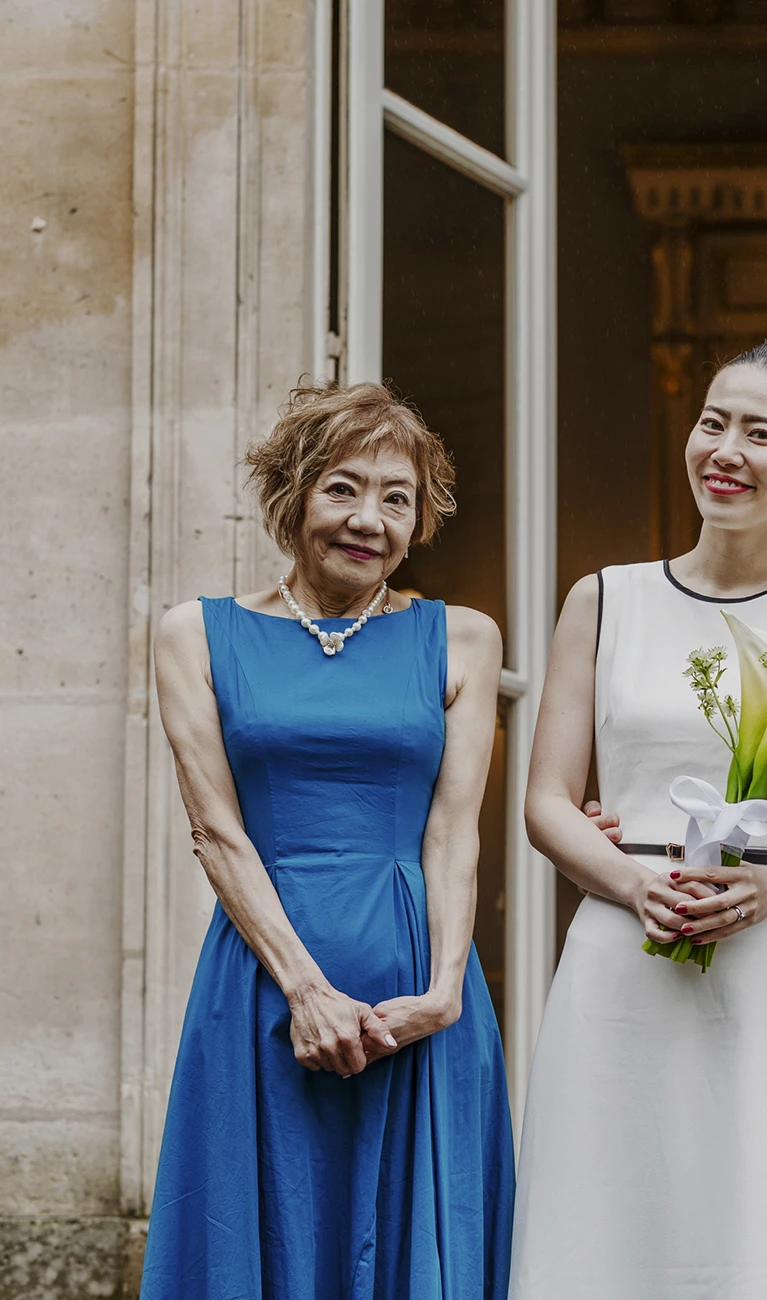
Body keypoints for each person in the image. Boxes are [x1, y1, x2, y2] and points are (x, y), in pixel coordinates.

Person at [509, 338, 767, 1298]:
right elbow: (547, 800)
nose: (724, 449)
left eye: (760, 433)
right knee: (606, 1228)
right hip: (620, 953)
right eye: (713, 422)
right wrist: (633, 883)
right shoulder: (605, 598)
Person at [139, 381, 514, 1298]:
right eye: (344, 488)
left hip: (419, 999)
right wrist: (305, 991)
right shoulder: (197, 634)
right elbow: (217, 834)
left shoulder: (461, 637)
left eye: (398, 497)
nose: (369, 519)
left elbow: (454, 837)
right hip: (266, 989)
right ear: (293, 495)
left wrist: (446, 992)